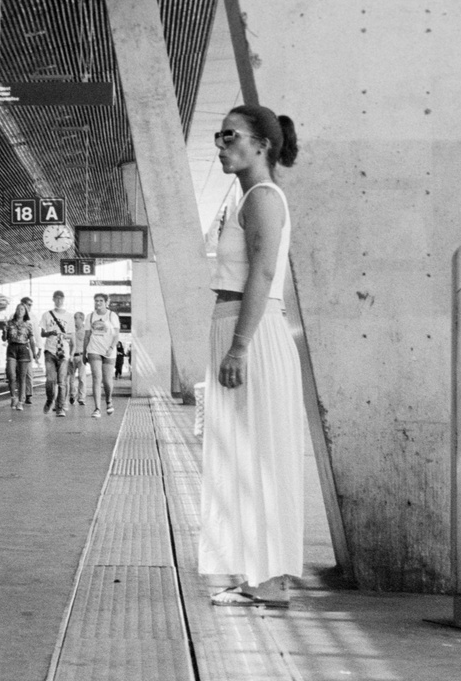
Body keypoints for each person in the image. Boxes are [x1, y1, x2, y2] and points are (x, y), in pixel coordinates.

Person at [199, 104, 304, 609]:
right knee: (243, 454)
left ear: (261, 144)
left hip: (252, 335)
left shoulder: (263, 198)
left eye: (230, 135)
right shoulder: (248, 198)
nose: (221, 145)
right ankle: (260, 574)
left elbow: (261, 276)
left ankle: (270, 581)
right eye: (218, 136)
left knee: (258, 454)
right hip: (239, 329)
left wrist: (240, 346)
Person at [85, 293, 120, 417]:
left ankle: (109, 400)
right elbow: (87, 335)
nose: (98, 303)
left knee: (107, 380)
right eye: (96, 300)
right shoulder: (90, 316)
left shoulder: (112, 315)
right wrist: (85, 351)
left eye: (100, 300)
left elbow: (116, 335)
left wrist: (111, 347)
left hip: (108, 351)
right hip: (94, 349)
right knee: (96, 378)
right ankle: (97, 409)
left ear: (106, 302)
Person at [40, 291, 73, 416]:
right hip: (50, 350)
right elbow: (42, 333)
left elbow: (71, 335)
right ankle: (50, 400)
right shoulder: (46, 315)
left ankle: (60, 407)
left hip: (63, 352)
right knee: (50, 380)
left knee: (62, 381)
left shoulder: (69, 316)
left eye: (61, 298)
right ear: (53, 299)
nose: (59, 300)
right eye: (57, 298)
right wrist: (50, 333)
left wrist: (65, 335)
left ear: (64, 300)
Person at [4, 298, 36, 410]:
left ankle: (21, 402)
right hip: (12, 348)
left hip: (24, 349)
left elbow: (31, 340)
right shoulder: (9, 323)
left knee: (22, 378)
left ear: (25, 312)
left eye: (22, 309)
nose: (20, 311)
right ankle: (13, 396)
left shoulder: (28, 324)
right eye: (18, 309)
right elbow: (4, 338)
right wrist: (4, 330)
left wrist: (35, 352)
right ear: (16, 311)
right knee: (11, 375)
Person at [68, 309, 90, 405]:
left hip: (81, 356)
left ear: (81, 319)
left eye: (76, 318)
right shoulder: (70, 330)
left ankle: (81, 398)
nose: (74, 320)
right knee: (71, 379)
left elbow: (89, 344)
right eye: (74, 318)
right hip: (71, 356)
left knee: (82, 378)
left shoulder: (86, 331)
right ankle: (72, 395)